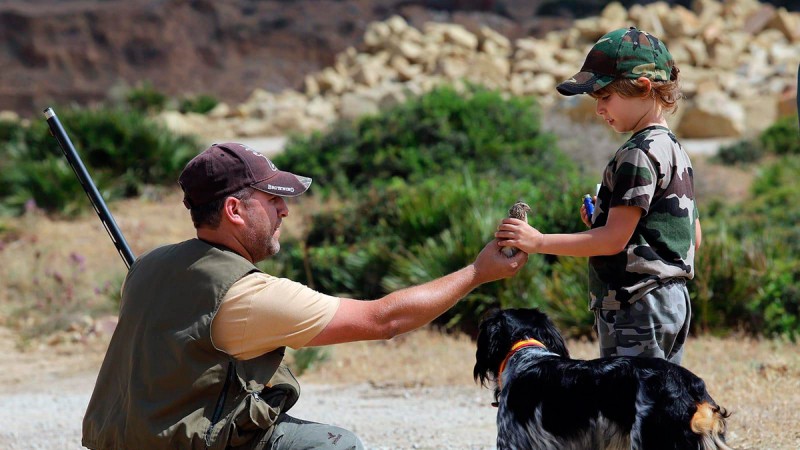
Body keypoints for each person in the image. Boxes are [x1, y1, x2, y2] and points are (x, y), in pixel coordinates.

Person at [82, 142, 527, 450]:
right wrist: (475, 272)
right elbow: (383, 321)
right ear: (235, 210)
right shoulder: (247, 295)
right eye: (271, 198)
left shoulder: (149, 266)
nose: (284, 209)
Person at [495, 27, 701, 365]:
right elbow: (692, 236)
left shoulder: (638, 152)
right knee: (658, 405)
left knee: (627, 406)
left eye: (605, 97)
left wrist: (537, 241)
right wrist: (606, 221)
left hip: (636, 304)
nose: (599, 109)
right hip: (671, 302)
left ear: (643, 87)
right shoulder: (675, 150)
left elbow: (612, 241)